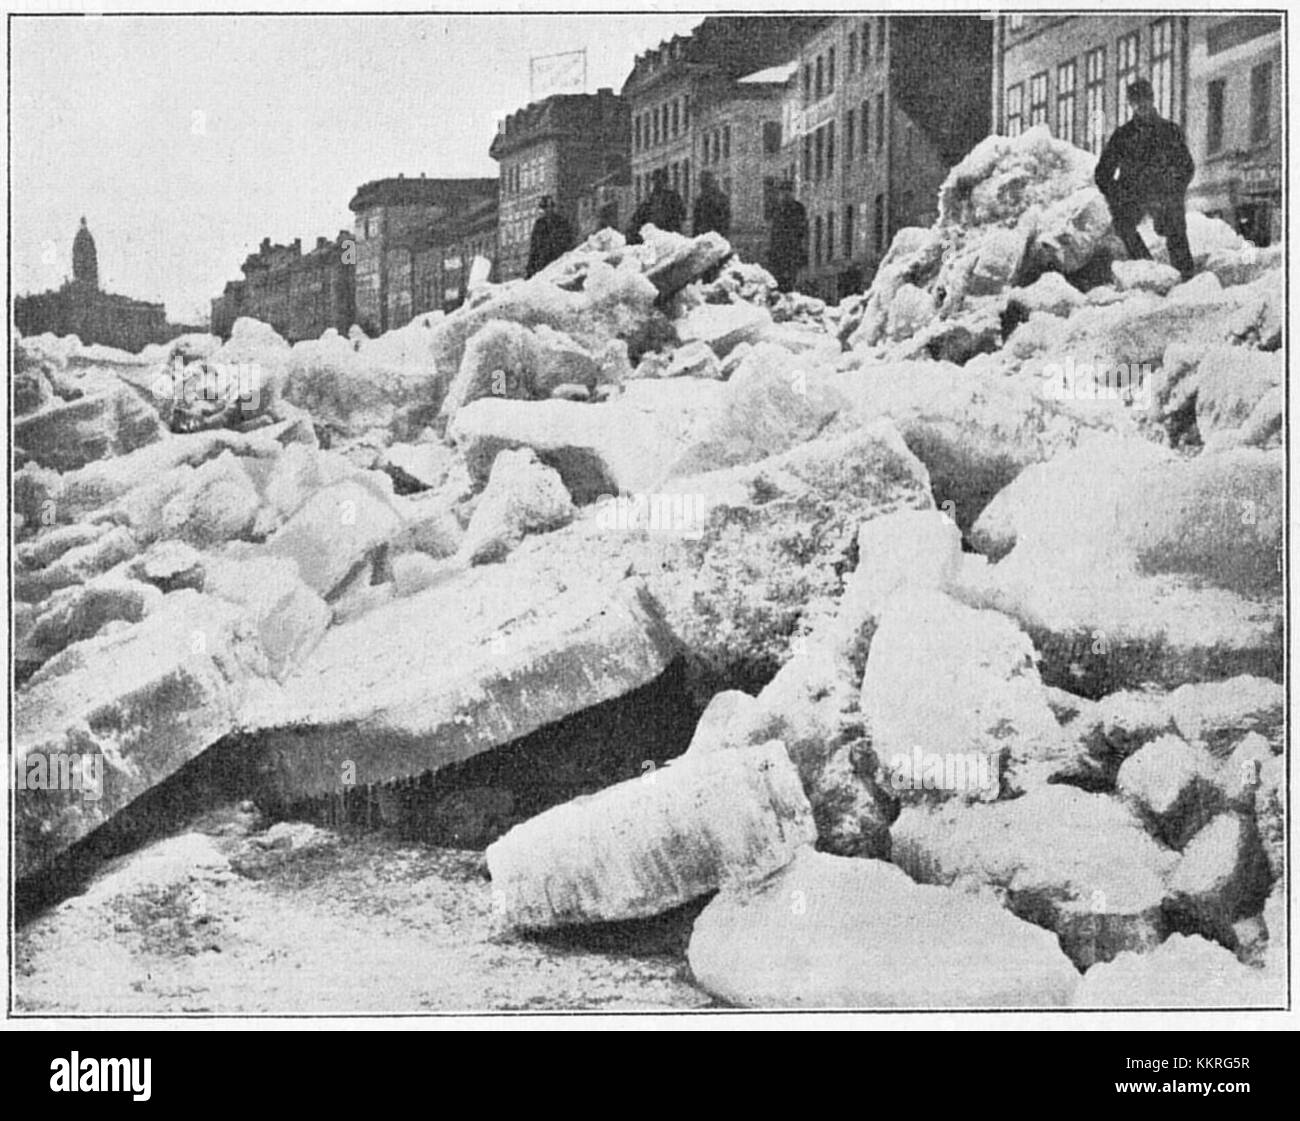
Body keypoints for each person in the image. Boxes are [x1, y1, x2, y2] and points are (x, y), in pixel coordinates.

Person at [1094, 78, 1197, 279]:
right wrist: (1118, 194)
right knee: (1122, 223)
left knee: (1175, 226)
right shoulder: (1123, 135)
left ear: (1152, 100)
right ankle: (1148, 268)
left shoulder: (1170, 131)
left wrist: (1174, 191)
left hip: (1164, 195)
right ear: (1130, 105)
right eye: (1135, 101)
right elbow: (1102, 173)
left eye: (1145, 100)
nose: (1141, 105)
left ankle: (1186, 277)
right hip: (1134, 197)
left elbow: (1187, 167)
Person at [767, 180, 809, 292]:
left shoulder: (798, 208)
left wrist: (802, 249)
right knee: (778, 279)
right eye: (783, 192)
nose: (785, 195)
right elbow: (774, 232)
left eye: (788, 192)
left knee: (791, 278)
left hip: (793, 249)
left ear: (792, 193)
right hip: (779, 251)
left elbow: (803, 230)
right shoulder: (777, 210)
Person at [628, 168, 687, 244]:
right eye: (656, 181)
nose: (658, 183)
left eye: (660, 181)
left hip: (670, 236)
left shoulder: (673, 197)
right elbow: (637, 218)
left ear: (665, 182)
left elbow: (683, 214)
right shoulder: (649, 200)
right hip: (657, 238)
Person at [526, 195, 574, 278]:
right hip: (543, 263)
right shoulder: (539, 224)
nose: (547, 210)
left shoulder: (562, 222)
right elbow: (534, 248)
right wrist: (531, 268)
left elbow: (569, 241)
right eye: (545, 208)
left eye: (550, 207)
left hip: (559, 260)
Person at [692, 172, 731, 238]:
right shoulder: (722, 197)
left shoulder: (701, 199)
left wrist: (695, 236)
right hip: (719, 233)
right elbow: (727, 216)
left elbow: (697, 220)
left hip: (706, 233)